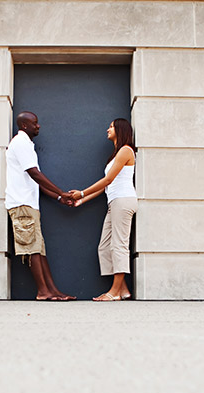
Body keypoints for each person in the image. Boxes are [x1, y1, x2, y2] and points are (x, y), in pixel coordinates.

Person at [5, 111, 76, 301]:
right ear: (24, 126)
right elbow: (35, 174)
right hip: (22, 204)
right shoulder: (20, 143)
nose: (38, 126)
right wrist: (60, 191)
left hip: (29, 205)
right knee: (33, 249)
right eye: (35, 123)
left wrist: (59, 198)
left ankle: (52, 290)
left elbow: (36, 182)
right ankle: (43, 291)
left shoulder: (27, 145)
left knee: (39, 250)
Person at [70, 118, 137, 301]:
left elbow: (107, 180)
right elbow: (106, 186)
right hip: (114, 202)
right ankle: (122, 290)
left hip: (123, 201)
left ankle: (113, 292)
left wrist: (82, 192)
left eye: (111, 127)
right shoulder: (116, 154)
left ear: (120, 130)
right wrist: (82, 200)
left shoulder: (126, 150)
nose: (108, 129)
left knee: (119, 245)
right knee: (105, 247)